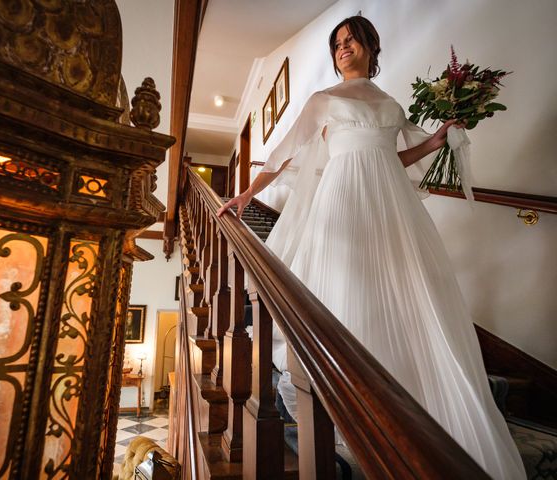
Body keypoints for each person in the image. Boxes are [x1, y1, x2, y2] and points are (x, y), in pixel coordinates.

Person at [217, 15, 525, 480]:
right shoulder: (325, 100)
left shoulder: (390, 103)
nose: (343, 48)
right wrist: (244, 194)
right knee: (349, 286)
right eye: (336, 43)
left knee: (405, 285)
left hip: (391, 202)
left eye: (351, 40)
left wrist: (436, 139)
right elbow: (285, 152)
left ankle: (408, 394)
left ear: (369, 46)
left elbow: (393, 157)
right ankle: (349, 396)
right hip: (344, 198)